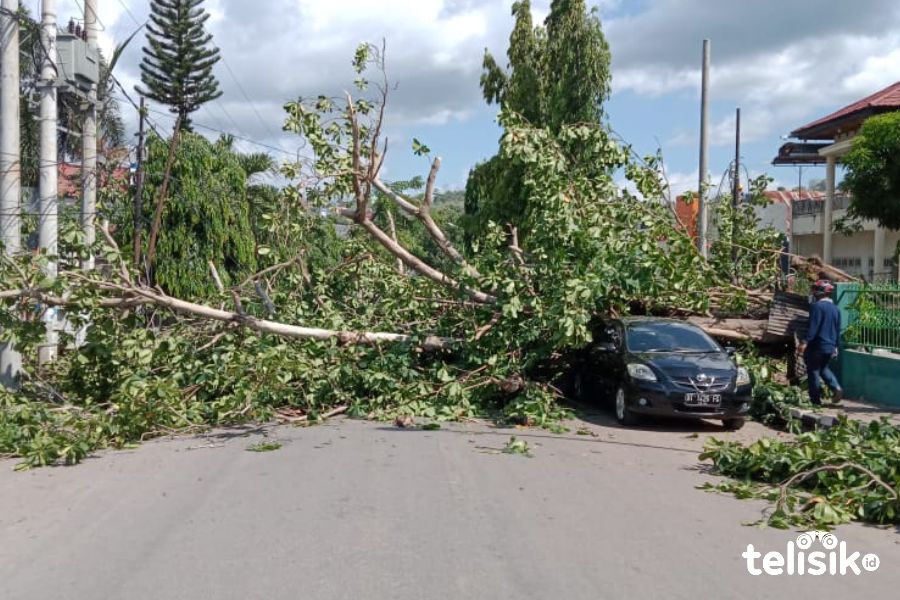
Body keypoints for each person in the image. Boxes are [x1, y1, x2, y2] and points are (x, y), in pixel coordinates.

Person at [798, 280, 843, 405]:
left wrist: (804, 342)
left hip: (817, 345)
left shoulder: (817, 307)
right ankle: (836, 387)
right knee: (823, 368)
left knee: (813, 371)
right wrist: (836, 346)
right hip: (830, 346)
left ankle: (815, 400)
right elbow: (838, 329)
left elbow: (814, 326)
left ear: (820, 292)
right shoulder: (836, 309)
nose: (813, 292)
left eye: (815, 289)